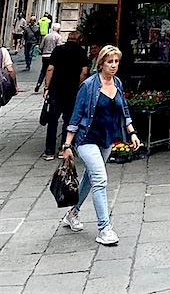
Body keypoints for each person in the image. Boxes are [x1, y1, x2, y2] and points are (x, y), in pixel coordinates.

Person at [61, 45, 140, 245]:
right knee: (100, 179)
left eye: (116, 62)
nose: (113, 66)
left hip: (106, 139)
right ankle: (104, 228)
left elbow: (125, 111)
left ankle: (72, 213)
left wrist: (132, 133)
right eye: (109, 62)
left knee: (90, 177)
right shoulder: (89, 85)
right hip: (86, 138)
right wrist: (67, 145)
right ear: (101, 63)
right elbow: (76, 114)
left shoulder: (118, 83)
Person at [41, 32, 89, 160]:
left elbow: (50, 68)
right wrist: (80, 86)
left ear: (68, 39)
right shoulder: (81, 51)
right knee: (68, 121)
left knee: (52, 121)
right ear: (78, 39)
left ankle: (49, 151)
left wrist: (46, 87)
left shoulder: (58, 50)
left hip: (56, 90)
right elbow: (84, 72)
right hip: (72, 92)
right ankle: (64, 149)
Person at [35, 23, 63, 93]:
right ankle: (47, 86)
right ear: (59, 29)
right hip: (53, 56)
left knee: (43, 71)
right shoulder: (58, 37)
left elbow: (41, 46)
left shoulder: (46, 36)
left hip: (45, 56)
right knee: (52, 71)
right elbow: (59, 48)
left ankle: (39, 83)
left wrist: (42, 51)